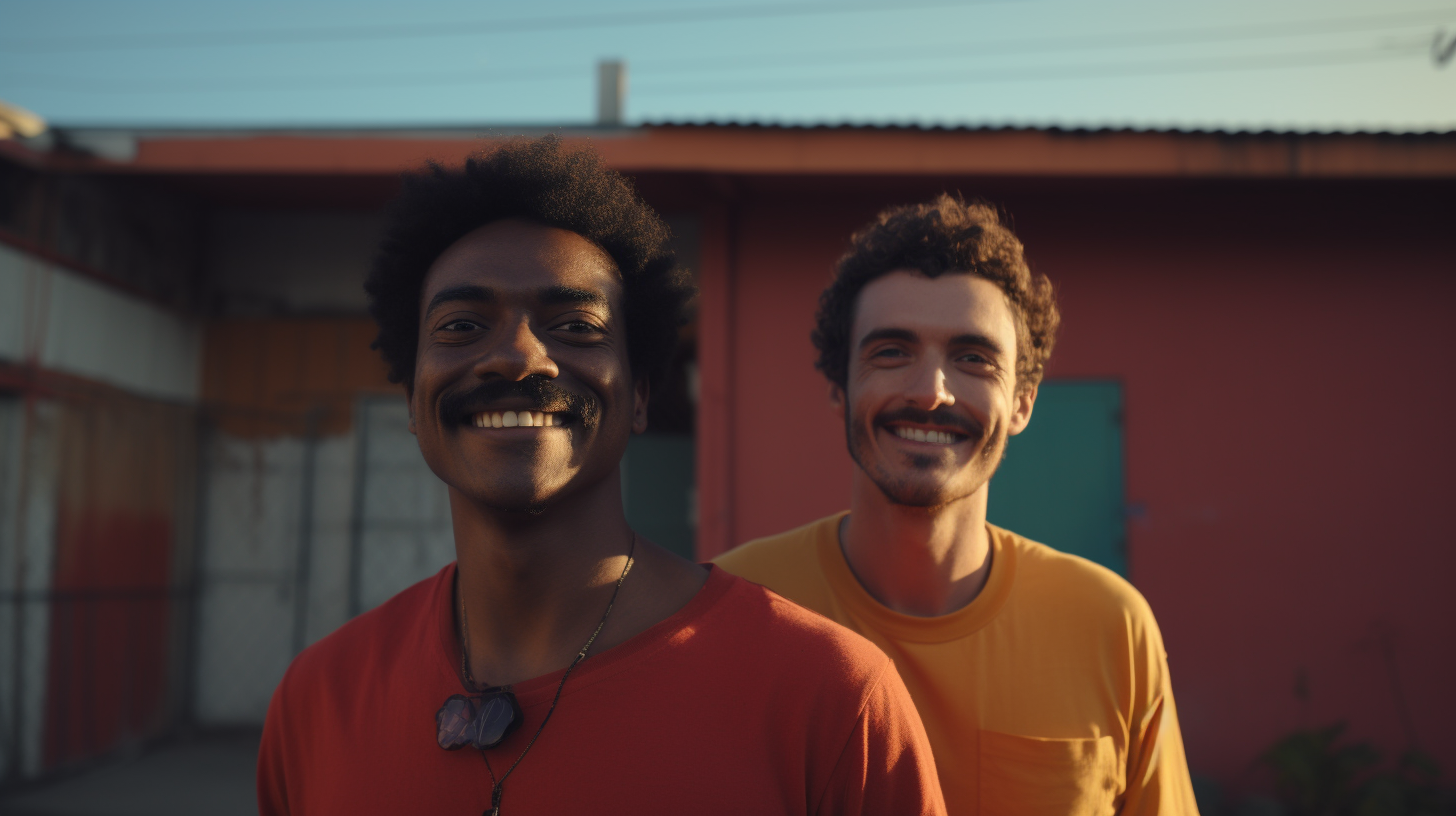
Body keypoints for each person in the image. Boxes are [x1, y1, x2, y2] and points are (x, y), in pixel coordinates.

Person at [256, 137, 945, 816]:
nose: (519, 358)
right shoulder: (317, 701)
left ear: (639, 394)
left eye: (575, 326)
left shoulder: (831, 702)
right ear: (411, 397)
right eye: (463, 325)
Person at [716, 195, 1199, 816]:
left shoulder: (1112, 628)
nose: (931, 392)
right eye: (891, 352)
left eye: (973, 358)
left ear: (1022, 402)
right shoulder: (732, 610)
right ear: (839, 387)